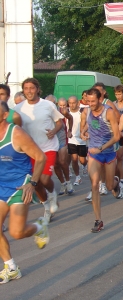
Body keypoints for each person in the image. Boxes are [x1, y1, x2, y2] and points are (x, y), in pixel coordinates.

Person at [0, 101, 50, 284]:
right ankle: (11, 267)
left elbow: (40, 157)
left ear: (5, 115)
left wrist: (33, 183)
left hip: (20, 186)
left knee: (17, 232)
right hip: (1, 186)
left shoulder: (17, 134)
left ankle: (39, 227)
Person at [14, 78, 64, 223]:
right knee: (35, 183)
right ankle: (47, 208)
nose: (29, 91)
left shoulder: (47, 105)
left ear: (37, 89)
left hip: (48, 147)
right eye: (26, 88)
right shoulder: (19, 108)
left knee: (44, 178)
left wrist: (54, 131)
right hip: (29, 150)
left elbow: (59, 122)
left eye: (32, 88)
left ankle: (53, 194)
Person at [80, 88, 123, 232]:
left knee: (110, 186)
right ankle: (98, 220)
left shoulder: (108, 112)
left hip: (109, 152)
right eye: (88, 101)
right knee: (94, 184)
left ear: (100, 99)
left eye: (93, 101)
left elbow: (117, 137)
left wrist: (102, 148)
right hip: (94, 153)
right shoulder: (86, 112)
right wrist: (83, 132)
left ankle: (116, 182)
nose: (91, 104)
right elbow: (87, 125)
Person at [51, 97, 74, 196]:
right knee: (55, 164)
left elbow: (70, 118)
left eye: (52, 103)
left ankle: (68, 182)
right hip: (50, 140)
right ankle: (62, 183)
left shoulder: (61, 111)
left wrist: (70, 130)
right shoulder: (43, 112)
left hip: (61, 138)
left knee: (62, 161)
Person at [67, 95, 88, 186]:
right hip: (71, 139)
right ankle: (77, 177)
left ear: (78, 103)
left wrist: (85, 133)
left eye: (74, 103)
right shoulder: (66, 113)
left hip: (82, 140)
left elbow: (87, 123)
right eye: (70, 103)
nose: (72, 105)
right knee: (74, 159)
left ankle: (85, 165)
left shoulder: (82, 112)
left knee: (82, 160)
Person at [114, 85, 123, 188]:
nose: (118, 96)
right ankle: (116, 178)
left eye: (119, 94)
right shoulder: (113, 104)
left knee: (120, 158)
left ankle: (122, 181)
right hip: (116, 132)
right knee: (115, 158)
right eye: (116, 94)